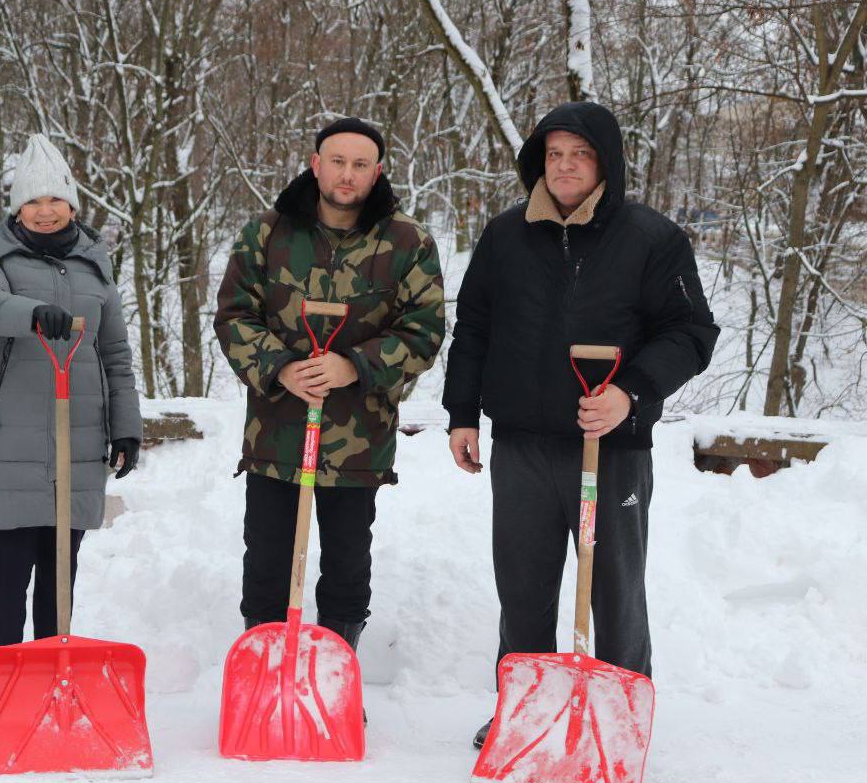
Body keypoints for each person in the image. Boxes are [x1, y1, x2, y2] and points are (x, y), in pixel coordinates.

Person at [441, 101, 719, 748]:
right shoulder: (505, 237)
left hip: (612, 448)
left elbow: (692, 332)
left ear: (605, 163)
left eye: (581, 154)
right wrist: (462, 414)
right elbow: (475, 328)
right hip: (523, 447)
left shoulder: (651, 238)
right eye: (555, 153)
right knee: (523, 589)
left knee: (616, 589)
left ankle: (620, 717)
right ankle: (525, 708)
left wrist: (630, 392)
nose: (565, 166)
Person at [214, 117, 446, 664]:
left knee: (347, 561)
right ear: (316, 165)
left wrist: (354, 365)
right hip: (277, 430)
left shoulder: (406, 242)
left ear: (377, 171)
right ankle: (265, 668)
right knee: (267, 557)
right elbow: (233, 315)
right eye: (337, 161)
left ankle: (336, 670)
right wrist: (280, 367)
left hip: (359, 436)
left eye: (360, 164)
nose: (348, 174)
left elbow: (425, 329)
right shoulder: (268, 233)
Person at [0, 134, 141, 650]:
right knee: (8, 576)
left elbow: (115, 353)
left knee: (60, 573)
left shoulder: (95, 264)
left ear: (72, 203)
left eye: (55, 200)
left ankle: (50, 672)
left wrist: (127, 426)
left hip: (79, 440)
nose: (45, 211)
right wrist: (34, 314)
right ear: (18, 207)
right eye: (33, 201)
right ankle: (4, 673)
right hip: (10, 443)